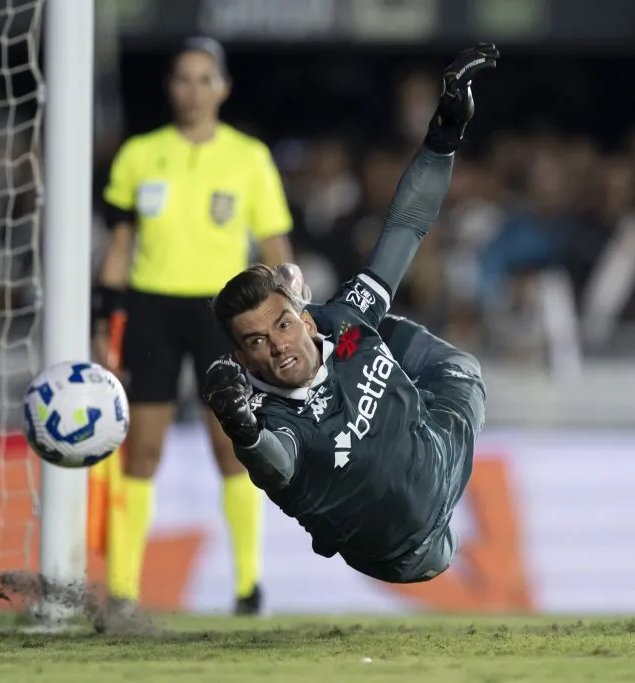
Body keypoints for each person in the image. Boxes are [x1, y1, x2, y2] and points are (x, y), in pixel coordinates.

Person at [202, 44, 497, 583]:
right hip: (406, 552)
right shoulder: (271, 419)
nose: (277, 347)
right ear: (241, 356)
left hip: (440, 452)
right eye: (255, 343)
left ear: (304, 320)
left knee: (419, 347)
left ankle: (314, 307)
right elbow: (277, 466)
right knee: (376, 335)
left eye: (283, 324)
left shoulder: (339, 320)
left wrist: (444, 134)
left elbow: (407, 223)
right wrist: (241, 431)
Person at [93, 37, 294, 614]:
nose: (194, 89)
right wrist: (103, 321)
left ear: (224, 87)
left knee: (232, 447)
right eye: (184, 78)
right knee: (142, 451)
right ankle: (125, 590)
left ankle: (249, 587)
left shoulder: (249, 157)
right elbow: (119, 246)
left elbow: (274, 240)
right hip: (152, 309)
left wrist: (288, 304)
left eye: (205, 79)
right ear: (170, 86)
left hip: (222, 314)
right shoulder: (139, 154)